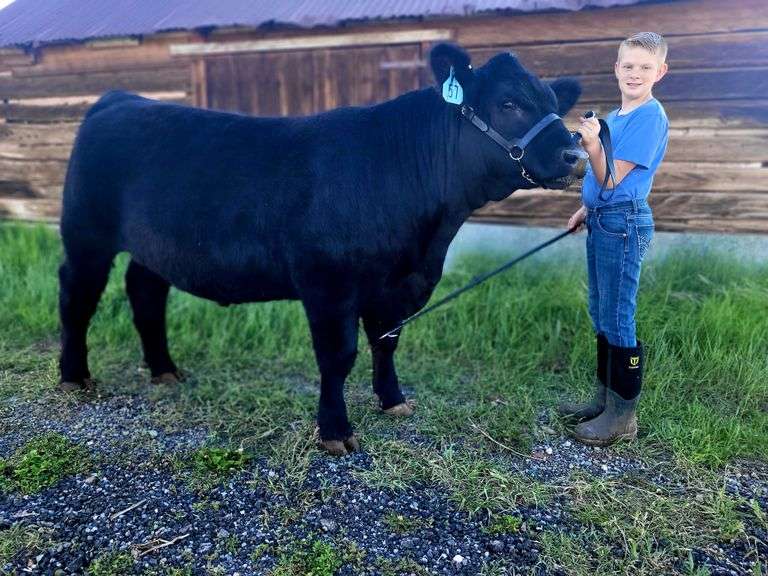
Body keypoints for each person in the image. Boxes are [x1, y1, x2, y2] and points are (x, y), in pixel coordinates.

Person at [558, 32, 669, 446]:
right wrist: (585, 210)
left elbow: (610, 177)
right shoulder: (618, 117)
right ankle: (603, 401)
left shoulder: (650, 117)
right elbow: (603, 187)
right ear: (616, 69)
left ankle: (623, 416)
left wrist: (591, 144)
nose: (634, 73)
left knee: (619, 315)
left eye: (645, 67)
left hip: (625, 223)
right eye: (628, 65)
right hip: (604, 218)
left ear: (660, 72)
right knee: (600, 309)